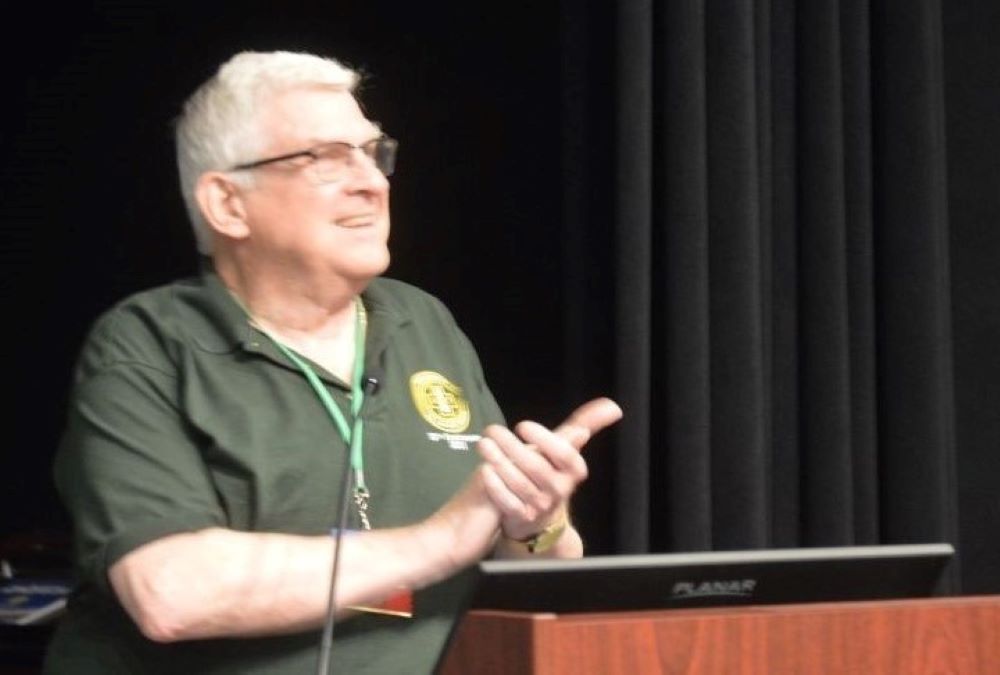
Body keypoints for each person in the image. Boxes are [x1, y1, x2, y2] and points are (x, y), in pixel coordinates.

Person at [43, 50, 622, 674]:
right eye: (324, 158)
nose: (371, 181)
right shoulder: (148, 344)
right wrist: (440, 541)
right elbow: (169, 593)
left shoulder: (421, 321)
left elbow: (534, 570)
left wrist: (538, 522)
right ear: (227, 204)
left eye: (373, 153)